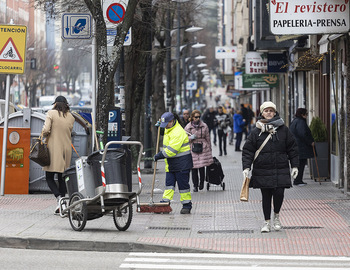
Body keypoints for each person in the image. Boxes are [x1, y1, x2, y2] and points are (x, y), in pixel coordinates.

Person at [242, 101, 299, 233]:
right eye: (266, 111)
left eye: (271, 111)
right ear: (262, 113)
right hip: (263, 169)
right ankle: (266, 222)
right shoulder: (256, 131)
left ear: (275, 113)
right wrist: (246, 167)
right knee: (266, 196)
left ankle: (277, 216)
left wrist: (295, 166)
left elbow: (292, 148)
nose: (269, 113)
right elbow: (248, 150)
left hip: (281, 167)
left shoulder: (284, 130)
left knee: (279, 194)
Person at [153, 112, 193, 214]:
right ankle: (165, 204)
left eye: (166, 124)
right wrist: (160, 128)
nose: (165, 126)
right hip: (171, 164)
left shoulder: (178, 132)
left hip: (182, 164)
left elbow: (171, 151)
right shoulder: (169, 129)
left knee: (183, 186)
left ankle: (187, 205)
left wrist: (159, 155)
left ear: (172, 121)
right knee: (169, 185)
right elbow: (165, 134)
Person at [41, 96, 75, 214]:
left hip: (53, 149)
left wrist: (43, 135)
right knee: (62, 178)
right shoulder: (71, 117)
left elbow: (45, 130)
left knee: (49, 177)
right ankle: (63, 203)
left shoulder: (51, 113)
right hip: (66, 150)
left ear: (55, 104)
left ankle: (59, 199)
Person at [185, 110, 213, 192]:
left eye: (199, 117)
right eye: (196, 117)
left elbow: (208, 138)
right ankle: (195, 185)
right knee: (194, 168)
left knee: (201, 167)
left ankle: (201, 183)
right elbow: (184, 139)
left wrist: (209, 149)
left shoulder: (204, 126)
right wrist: (190, 138)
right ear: (192, 117)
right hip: (193, 148)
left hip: (203, 147)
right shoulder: (188, 127)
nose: (198, 118)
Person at [289, 108, 315, 187]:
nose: (306, 116)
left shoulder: (294, 121)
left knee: (299, 164)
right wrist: (310, 142)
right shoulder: (301, 122)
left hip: (296, 146)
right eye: (306, 114)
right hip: (301, 147)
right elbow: (303, 134)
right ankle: (298, 180)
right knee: (301, 164)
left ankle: (298, 179)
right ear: (302, 114)